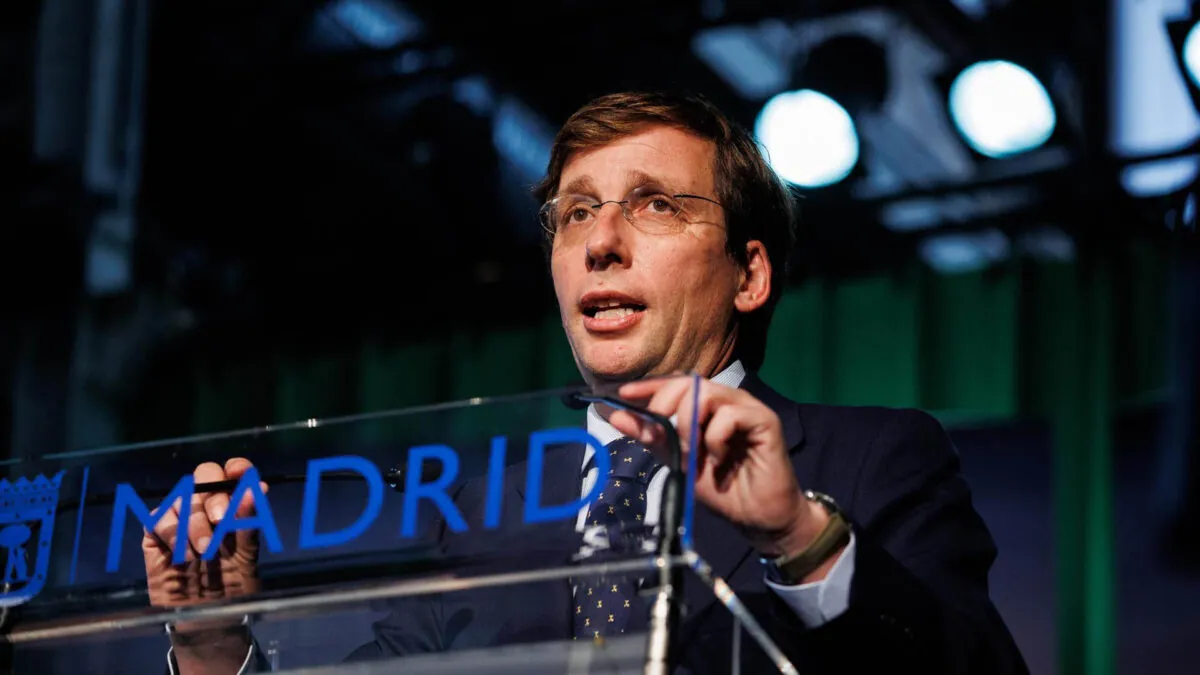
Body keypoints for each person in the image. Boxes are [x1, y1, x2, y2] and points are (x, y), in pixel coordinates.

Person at [144, 91, 1028, 674]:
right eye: (574, 213)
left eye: (655, 204)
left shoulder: (872, 456)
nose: (600, 242)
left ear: (749, 274)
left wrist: (799, 536)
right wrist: (215, 644)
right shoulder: (485, 510)